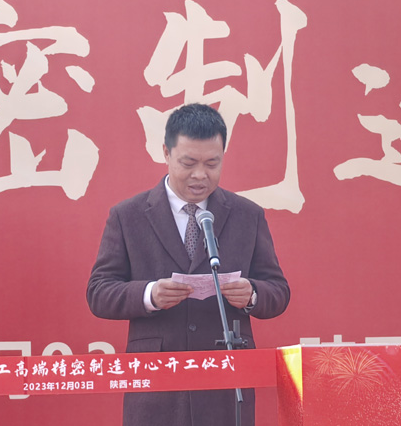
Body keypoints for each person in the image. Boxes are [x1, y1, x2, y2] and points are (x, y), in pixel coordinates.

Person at [87, 103, 290, 426]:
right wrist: (150, 295)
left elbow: (278, 290)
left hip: (225, 382)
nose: (200, 175)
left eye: (212, 163)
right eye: (188, 163)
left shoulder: (247, 215)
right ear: (166, 153)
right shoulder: (128, 215)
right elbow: (99, 292)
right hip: (156, 384)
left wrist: (252, 293)